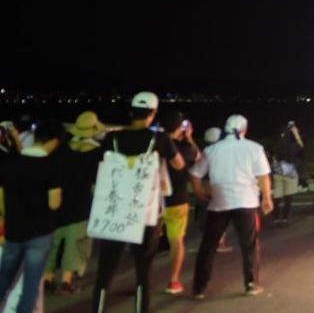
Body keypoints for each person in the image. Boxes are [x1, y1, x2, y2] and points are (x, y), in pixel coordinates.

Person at [90, 91, 185, 313]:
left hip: (112, 212)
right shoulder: (160, 139)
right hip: (145, 213)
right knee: (143, 272)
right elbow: (179, 165)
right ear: (152, 114)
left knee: (105, 272)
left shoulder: (111, 138)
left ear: (131, 112)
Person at [190, 114, 273, 298]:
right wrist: (267, 198)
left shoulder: (212, 150)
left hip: (218, 202)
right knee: (249, 245)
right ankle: (251, 284)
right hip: (246, 201)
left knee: (208, 246)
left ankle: (199, 288)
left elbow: (195, 174)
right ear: (244, 130)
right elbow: (263, 176)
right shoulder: (254, 148)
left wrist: (199, 193)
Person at [0, 120, 63, 313]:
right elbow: (54, 203)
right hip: (40, 232)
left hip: (13, 230)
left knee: (3, 278)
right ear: (53, 141)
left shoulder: (10, 162)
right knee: (31, 284)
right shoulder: (51, 165)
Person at [43, 111, 104, 295]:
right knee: (75, 243)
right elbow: (97, 179)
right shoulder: (96, 152)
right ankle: (66, 282)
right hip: (81, 204)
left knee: (53, 242)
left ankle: (47, 278)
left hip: (58, 202)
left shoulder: (61, 148)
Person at [160, 110, 200, 295]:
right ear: (180, 128)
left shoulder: (155, 143)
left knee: (147, 241)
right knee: (176, 241)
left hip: (154, 201)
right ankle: (173, 280)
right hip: (177, 201)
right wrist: (189, 137)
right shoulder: (185, 148)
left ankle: (141, 279)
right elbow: (199, 157)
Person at [271, 122, 304, 227]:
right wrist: (296, 133)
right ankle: (285, 219)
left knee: (277, 197)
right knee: (288, 197)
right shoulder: (291, 146)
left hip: (278, 172)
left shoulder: (275, 145)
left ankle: (276, 218)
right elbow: (301, 145)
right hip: (289, 173)